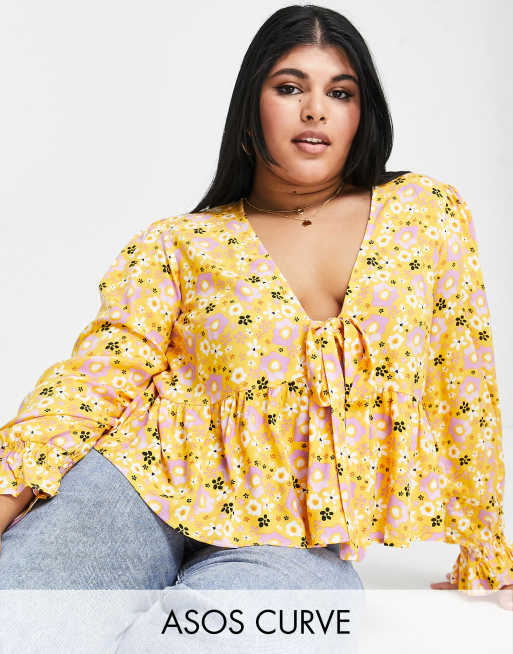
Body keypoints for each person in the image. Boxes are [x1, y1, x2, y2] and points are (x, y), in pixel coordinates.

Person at [0, 4, 512, 611]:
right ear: (252, 107)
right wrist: (10, 490)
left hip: (291, 538)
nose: (315, 109)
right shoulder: (179, 243)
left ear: (362, 114)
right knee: (26, 617)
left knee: (218, 641)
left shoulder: (424, 213)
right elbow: (98, 377)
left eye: (340, 92)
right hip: (136, 487)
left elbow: (463, 381)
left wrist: (487, 552)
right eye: (290, 87)